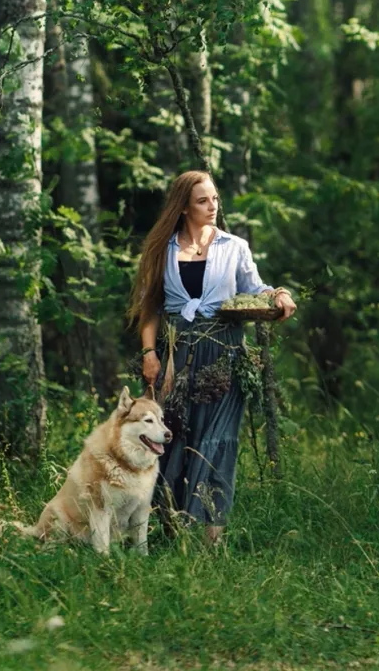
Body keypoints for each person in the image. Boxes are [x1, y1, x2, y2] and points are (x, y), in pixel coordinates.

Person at [126, 170, 296, 545]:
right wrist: (149, 353)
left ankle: (211, 540)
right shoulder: (163, 249)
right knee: (170, 439)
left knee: (217, 442)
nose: (213, 206)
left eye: (215, 198)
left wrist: (279, 295)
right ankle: (169, 530)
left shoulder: (234, 246)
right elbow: (150, 307)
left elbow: (257, 288)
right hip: (177, 355)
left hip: (224, 355)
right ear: (184, 206)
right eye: (203, 201)